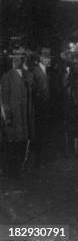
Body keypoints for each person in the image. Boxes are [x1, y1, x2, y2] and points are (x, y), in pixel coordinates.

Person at [1, 47, 34, 177]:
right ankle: (11, 170)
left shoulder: (27, 75)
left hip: (24, 116)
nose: (17, 61)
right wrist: (7, 117)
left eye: (19, 58)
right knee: (12, 143)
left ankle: (19, 167)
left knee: (23, 142)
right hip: (14, 117)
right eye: (14, 59)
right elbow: (4, 99)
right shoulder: (7, 77)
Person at [31, 47, 52, 168]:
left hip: (45, 108)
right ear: (41, 59)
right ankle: (38, 161)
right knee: (39, 134)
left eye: (49, 58)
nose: (49, 60)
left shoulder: (45, 71)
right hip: (39, 108)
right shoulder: (36, 71)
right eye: (47, 58)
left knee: (44, 134)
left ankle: (41, 159)